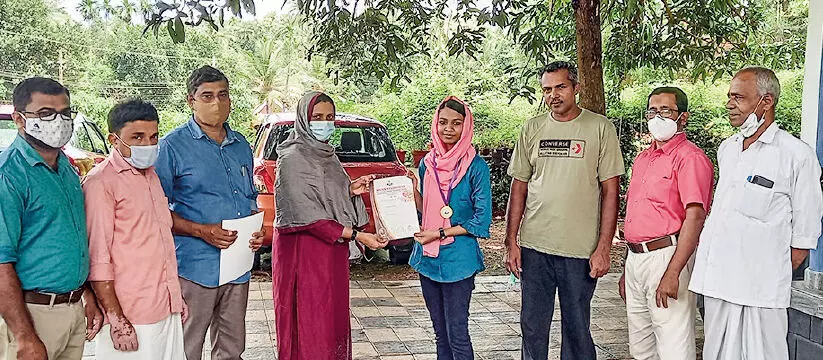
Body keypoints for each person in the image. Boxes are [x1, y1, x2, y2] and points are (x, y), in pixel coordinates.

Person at [689, 66, 823, 360]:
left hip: (761, 291)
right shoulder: (728, 149)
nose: (729, 104)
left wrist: (767, 273)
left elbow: (804, 237)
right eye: (729, 96)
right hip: (717, 282)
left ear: (766, 101)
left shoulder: (796, 155)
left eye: (738, 97)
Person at [505, 61, 625, 360]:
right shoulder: (532, 128)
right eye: (547, 89)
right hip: (535, 245)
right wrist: (511, 242)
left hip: (580, 249)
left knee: (576, 328)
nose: (553, 95)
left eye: (560, 87)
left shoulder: (600, 127)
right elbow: (519, 187)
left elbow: (611, 191)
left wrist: (604, 247)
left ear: (576, 88)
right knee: (533, 326)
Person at [155, 66, 264, 360]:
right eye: (207, 96)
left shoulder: (241, 145)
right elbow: (156, 212)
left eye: (222, 95)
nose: (217, 102)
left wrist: (257, 229)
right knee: (187, 347)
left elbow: (248, 198)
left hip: (237, 265)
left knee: (232, 348)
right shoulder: (171, 146)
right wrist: (201, 231)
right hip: (195, 267)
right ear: (191, 101)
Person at [272, 91, 386, 360]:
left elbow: (327, 195)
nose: (324, 123)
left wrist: (351, 189)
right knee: (308, 323)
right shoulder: (292, 158)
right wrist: (359, 236)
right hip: (303, 255)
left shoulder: (327, 155)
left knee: (332, 320)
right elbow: (306, 214)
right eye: (317, 117)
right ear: (303, 118)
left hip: (332, 253)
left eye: (329, 117)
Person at [0, 77, 103, 360]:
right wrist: (24, 335)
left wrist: (86, 294)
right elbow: (1, 263)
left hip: (72, 309)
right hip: (31, 315)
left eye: (64, 112)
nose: (58, 121)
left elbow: (71, 239)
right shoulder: (9, 175)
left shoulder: (66, 169)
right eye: (46, 113)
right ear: (19, 119)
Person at [83, 99, 187, 359]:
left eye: (153, 137)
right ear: (114, 140)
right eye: (137, 137)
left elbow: (159, 241)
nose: (147, 144)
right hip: (130, 315)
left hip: (165, 307)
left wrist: (175, 298)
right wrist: (117, 320)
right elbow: (97, 257)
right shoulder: (100, 182)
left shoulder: (151, 175)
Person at [618, 87, 714, 360]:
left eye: (666, 111)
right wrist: (627, 267)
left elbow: (695, 217)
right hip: (637, 257)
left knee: (673, 346)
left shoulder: (690, 159)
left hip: (668, 255)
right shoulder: (643, 158)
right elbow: (637, 215)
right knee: (641, 346)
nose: (657, 117)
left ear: (683, 117)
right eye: (652, 111)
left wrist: (673, 272)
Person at [406, 96, 492, 360]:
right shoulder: (427, 163)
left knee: (457, 334)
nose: (448, 129)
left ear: (466, 127)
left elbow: (481, 220)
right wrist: (412, 190)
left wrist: (441, 233)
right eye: (443, 122)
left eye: (456, 123)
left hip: (459, 260)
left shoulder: (477, 167)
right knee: (440, 334)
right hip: (428, 258)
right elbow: (427, 209)